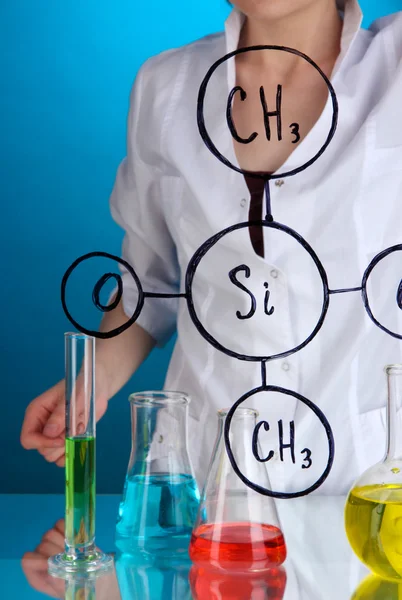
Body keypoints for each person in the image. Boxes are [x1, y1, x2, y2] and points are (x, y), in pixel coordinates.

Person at [21, 0, 402, 494]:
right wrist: (89, 386)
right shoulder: (166, 86)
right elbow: (149, 286)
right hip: (204, 486)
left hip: (369, 491)